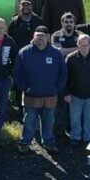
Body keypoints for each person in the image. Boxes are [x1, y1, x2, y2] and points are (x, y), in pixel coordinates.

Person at [13, 26, 67, 154]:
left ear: (48, 37)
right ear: (33, 37)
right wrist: (24, 88)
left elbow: (63, 72)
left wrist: (57, 88)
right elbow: (17, 73)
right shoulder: (24, 52)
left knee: (49, 121)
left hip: (50, 95)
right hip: (31, 95)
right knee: (29, 121)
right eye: (37, 36)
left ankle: (48, 143)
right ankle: (25, 142)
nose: (40, 39)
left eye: (42, 37)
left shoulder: (55, 53)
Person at [64, 34, 90, 146]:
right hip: (75, 94)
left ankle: (88, 137)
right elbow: (65, 77)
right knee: (74, 118)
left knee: (89, 118)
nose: (84, 48)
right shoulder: (70, 58)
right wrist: (66, 93)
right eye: (81, 45)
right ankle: (75, 137)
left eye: (86, 45)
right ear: (77, 44)